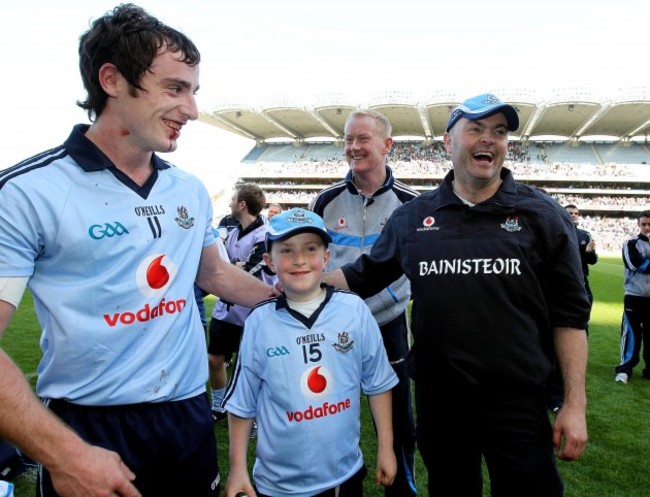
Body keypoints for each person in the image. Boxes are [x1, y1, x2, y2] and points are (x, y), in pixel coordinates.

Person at [0, 5, 275, 497]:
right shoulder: (25, 192)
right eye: (174, 89)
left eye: (193, 92)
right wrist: (64, 454)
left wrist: (300, 300)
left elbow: (215, 274)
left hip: (187, 416)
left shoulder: (187, 189)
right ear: (111, 80)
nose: (191, 110)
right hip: (91, 427)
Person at [322, 93, 591, 496]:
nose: (489, 140)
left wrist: (575, 404)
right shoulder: (413, 218)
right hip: (441, 405)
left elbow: (570, 318)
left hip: (517, 403)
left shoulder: (543, 216)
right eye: (476, 130)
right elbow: (364, 275)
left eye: (499, 132)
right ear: (448, 143)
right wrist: (304, 281)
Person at [223, 208, 398, 497]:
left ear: (326, 257)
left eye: (311, 249)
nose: (300, 260)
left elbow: (378, 384)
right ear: (269, 261)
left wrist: (386, 448)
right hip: (277, 485)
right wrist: (238, 469)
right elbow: (242, 404)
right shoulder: (259, 322)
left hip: (344, 476)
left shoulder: (354, 311)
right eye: (287, 251)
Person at [309, 109, 418, 497]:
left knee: (400, 421)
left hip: (388, 328)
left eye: (363, 139)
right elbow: (316, 263)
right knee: (330, 412)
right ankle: (334, 485)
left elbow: (405, 276)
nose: (353, 147)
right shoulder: (325, 201)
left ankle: (402, 490)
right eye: (348, 140)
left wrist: (366, 307)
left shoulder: (410, 204)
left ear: (387, 145)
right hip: (334, 327)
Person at [209, 183, 275, 425]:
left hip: (253, 313)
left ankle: (253, 416)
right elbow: (218, 267)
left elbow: (249, 271)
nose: (229, 202)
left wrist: (229, 268)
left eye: (233, 198)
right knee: (214, 359)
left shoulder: (265, 235)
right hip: (226, 310)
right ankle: (219, 406)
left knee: (250, 368)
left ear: (242, 204)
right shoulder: (234, 232)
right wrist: (230, 268)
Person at [545, 204, 599, 410]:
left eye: (576, 213)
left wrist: (589, 253)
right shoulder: (554, 231)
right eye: (570, 213)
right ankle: (549, 391)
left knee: (576, 333)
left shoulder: (584, 235)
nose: (573, 216)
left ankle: (561, 395)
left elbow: (591, 261)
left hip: (580, 287)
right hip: (556, 290)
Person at [615, 210, 650, 384]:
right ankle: (625, 369)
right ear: (638, 225)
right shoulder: (630, 243)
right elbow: (636, 265)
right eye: (644, 224)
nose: (647, 228)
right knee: (631, 334)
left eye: (649, 224)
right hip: (635, 296)